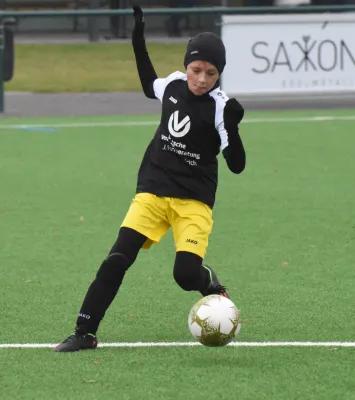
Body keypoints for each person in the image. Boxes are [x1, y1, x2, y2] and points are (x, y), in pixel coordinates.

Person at [54, 5, 246, 353]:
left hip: (193, 201)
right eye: (196, 69)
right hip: (153, 192)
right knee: (117, 259)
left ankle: (210, 285)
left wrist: (232, 127)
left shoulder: (221, 106)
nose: (202, 79)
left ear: (220, 74)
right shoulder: (173, 84)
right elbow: (147, 84)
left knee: (185, 275)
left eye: (212, 73)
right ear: (187, 65)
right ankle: (85, 332)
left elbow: (236, 165)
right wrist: (138, 37)